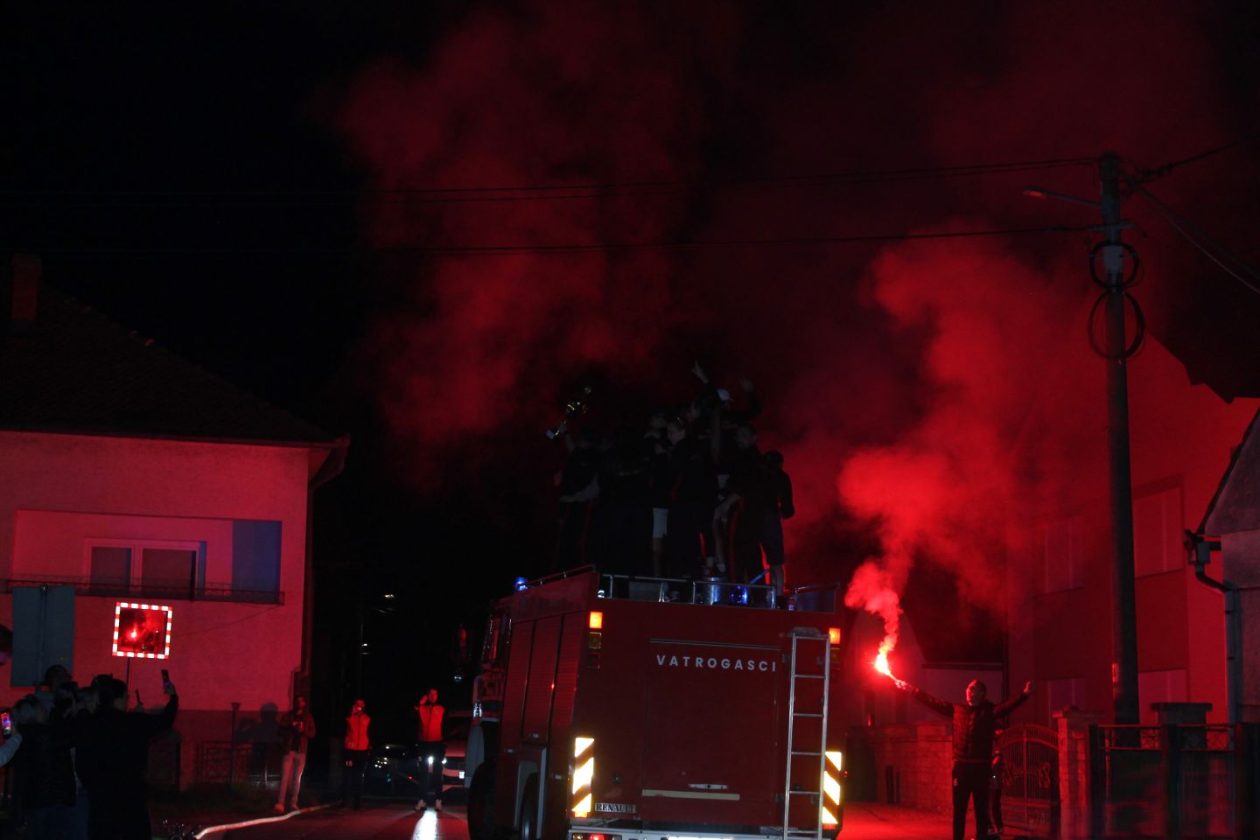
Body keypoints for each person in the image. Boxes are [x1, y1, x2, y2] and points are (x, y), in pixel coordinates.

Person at [893, 677, 1032, 840]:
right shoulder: (957, 709)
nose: (969, 691)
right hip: (961, 768)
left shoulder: (989, 711)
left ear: (982, 693)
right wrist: (913, 690)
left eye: (973, 689)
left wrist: (1024, 695)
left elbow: (1007, 707)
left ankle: (984, 836)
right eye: (968, 688)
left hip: (981, 768)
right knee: (959, 810)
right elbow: (934, 702)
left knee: (981, 809)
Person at [73, 672, 178, 840]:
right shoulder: (132, 722)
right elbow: (164, 721)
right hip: (131, 793)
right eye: (126, 697)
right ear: (120, 698)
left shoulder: (91, 724)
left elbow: (82, 759)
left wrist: (92, 784)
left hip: (101, 796)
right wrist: (173, 697)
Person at [275, 695, 316, 813]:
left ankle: (293, 802)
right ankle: (280, 802)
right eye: (297, 701)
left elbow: (313, 733)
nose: (299, 703)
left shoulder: (308, 717)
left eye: (302, 701)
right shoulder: (288, 715)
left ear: (304, 703)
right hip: (289, 750)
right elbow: (280, 731)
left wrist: (304, 731)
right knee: (285, 777)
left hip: (301, 751)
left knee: (297, 778)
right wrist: (290, 728)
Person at [413, 688, 446, 813]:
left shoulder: (442, 708)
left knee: (437, 772)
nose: (432, 696)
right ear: (427, 695)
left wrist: (443, 741)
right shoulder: (422, 708)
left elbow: (446, 725)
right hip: (424, 744)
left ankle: (438, 800)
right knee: (423, 773)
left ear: (437, 695)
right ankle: (422, 800)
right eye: (430, 694)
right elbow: (412, 714)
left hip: (437, 744)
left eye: (435, 694)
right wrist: (421, 703)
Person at [343, 699, 371, 810]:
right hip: (351, 750)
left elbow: (369, 732)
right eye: (357, 705)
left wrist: (369, 746)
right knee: (348, 775)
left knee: (359, 777)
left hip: (362, 750)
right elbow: (343, 729)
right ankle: (345, 800)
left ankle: (357, 802)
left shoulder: (367, 719)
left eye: (361, 705)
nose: (359, 707)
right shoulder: (349, 717)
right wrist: (351, 713)